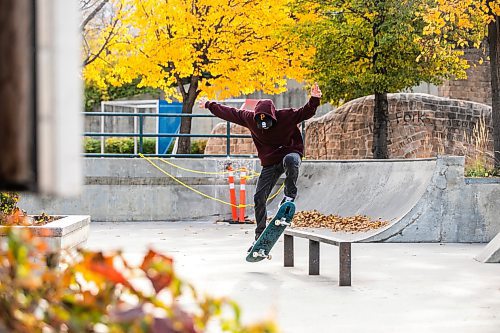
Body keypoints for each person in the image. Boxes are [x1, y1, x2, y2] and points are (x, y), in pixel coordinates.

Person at [199, 83, 322, 251]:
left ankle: (289, 197)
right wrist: (209, 104)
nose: (263, 126)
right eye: (260, 122)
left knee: (291, 161)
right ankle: (260, 236)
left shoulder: (286, 116)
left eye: (267, 122)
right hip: (270, 163)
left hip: (290, 153)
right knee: (259, 197)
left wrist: (314, 99)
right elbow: (229, 113)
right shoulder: (249, 118)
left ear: (273, 116)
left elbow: (305, 112)